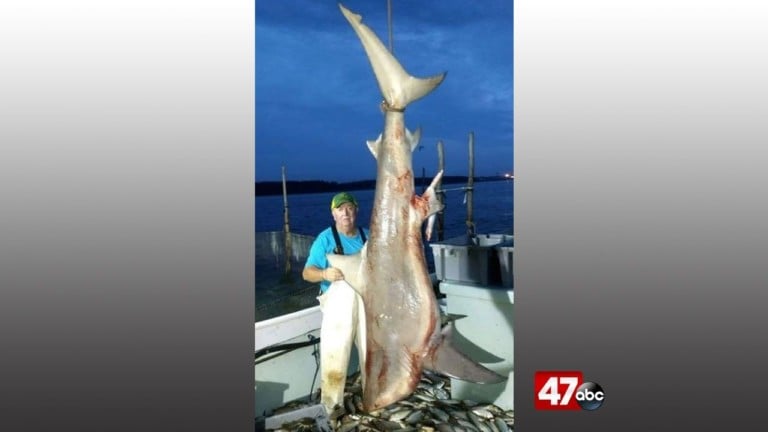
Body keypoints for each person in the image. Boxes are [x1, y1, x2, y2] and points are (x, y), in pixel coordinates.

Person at [302, 192, 370, 415]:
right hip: (338, 308)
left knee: (372, 354)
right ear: (333, 214)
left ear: (356, 210)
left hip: (367, 305)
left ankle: (374, 397)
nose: (345, 213)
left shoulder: (368, 237)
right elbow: (307, 273)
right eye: (340, 209)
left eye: (349, 207)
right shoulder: (325, 239)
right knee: (335, 357)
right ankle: (331, 407)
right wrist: (324, 273)